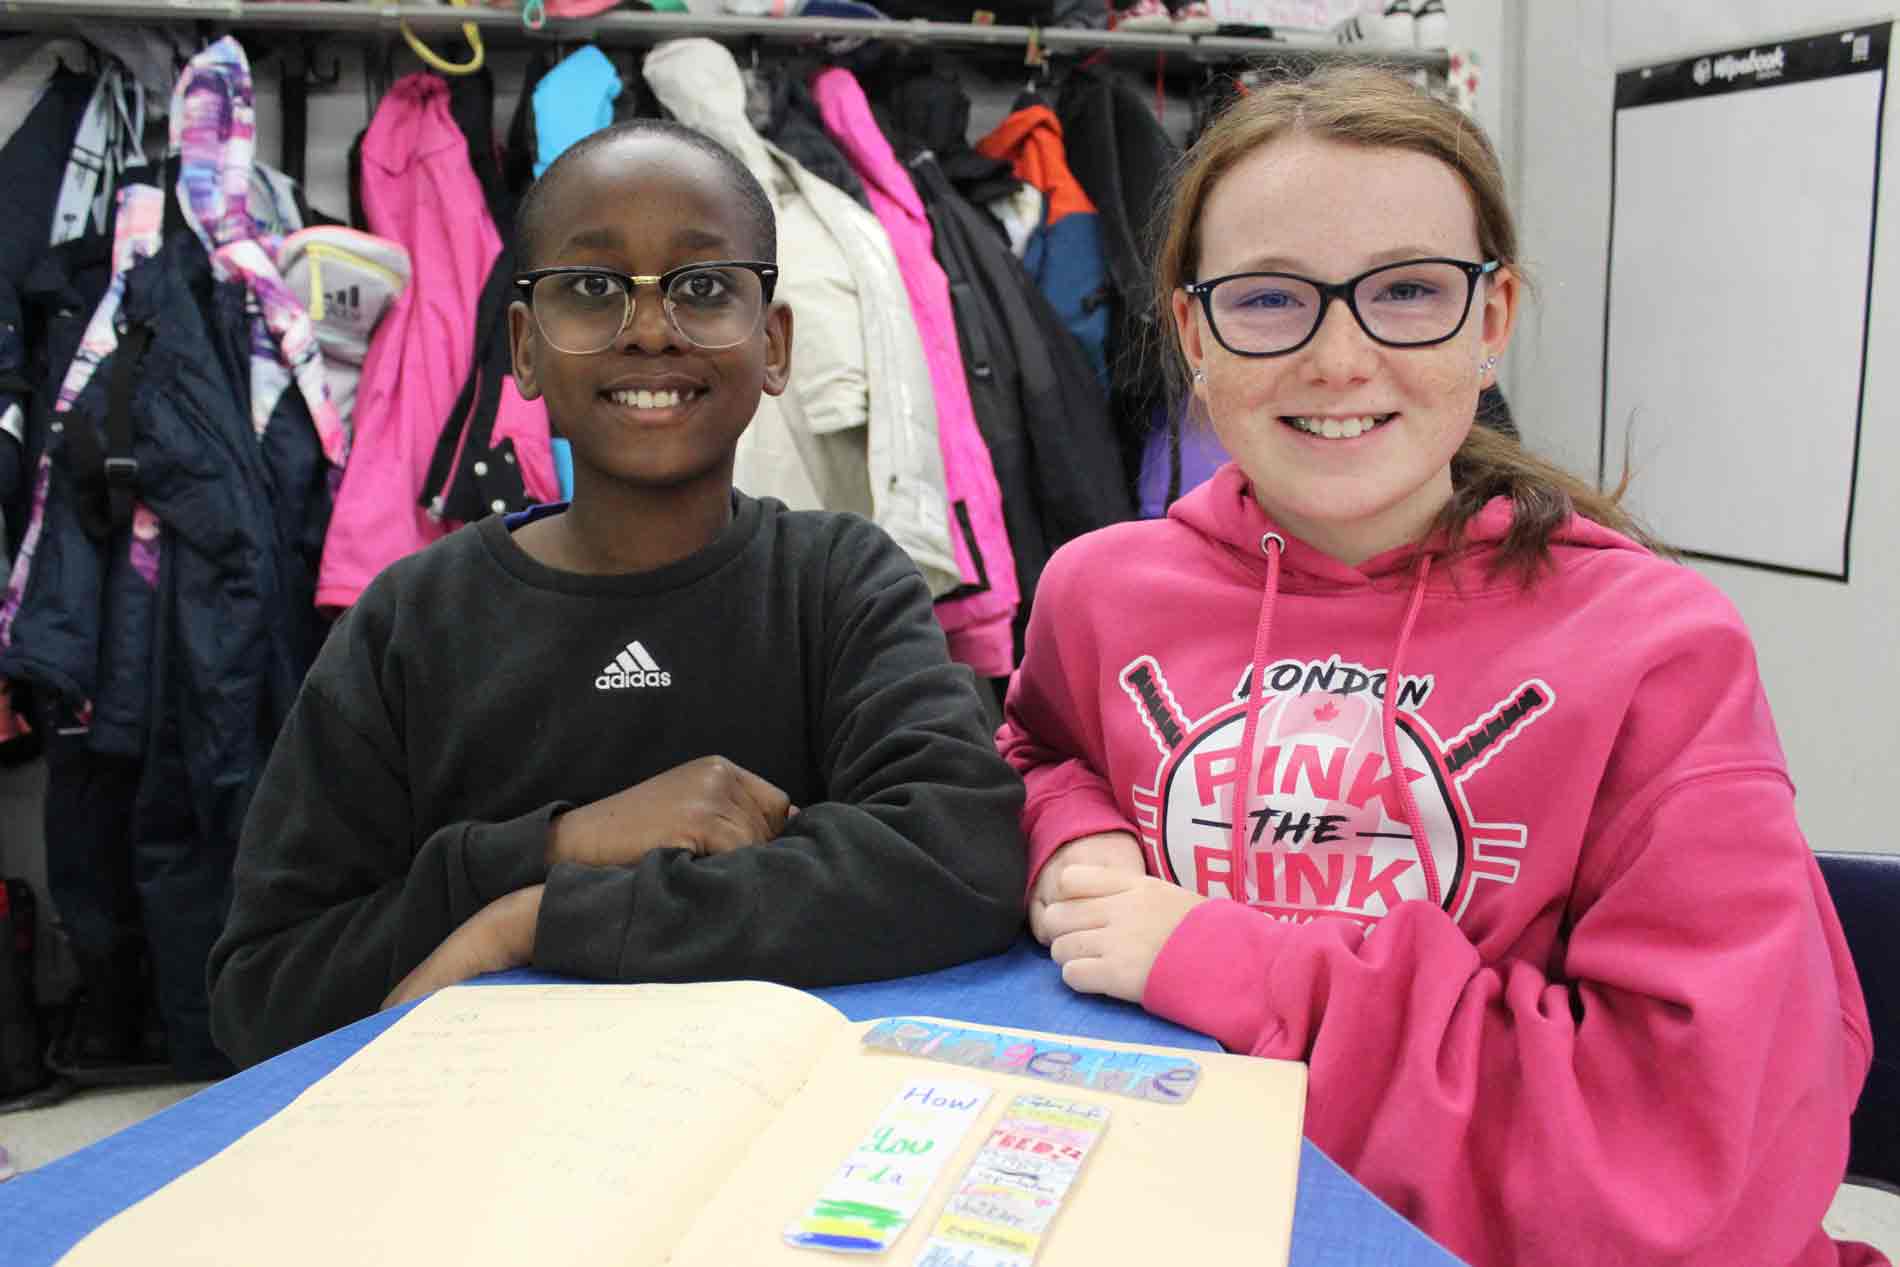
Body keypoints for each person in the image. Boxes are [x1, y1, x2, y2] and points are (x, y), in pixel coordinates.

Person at [997, 67, 1882, 1267]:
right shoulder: (1099, 590)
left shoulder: (1656, 646)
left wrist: (1222, 961)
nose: (1338, 358)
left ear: (1491, 318)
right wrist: (1076, 832)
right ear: (1194, 332)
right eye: (1268, 299)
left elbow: (1694, 1162)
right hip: (1194, 1210)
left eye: (1408, 290)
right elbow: (1040, 749)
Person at [208, 119, 1027, 1069]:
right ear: (524, 348)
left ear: (773, 344)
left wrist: (540, 919)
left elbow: (960, 856)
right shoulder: (409, 622)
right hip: (476, 1129)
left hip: (770, 1126)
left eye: (704, 286)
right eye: (593, 288)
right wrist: (557, 845)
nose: (647, 327)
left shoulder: (840, 582)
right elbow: (262, 993)